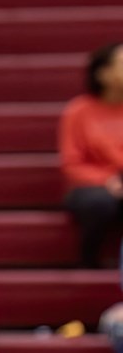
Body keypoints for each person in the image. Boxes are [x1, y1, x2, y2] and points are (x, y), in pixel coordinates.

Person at [60, 43, 123, 268]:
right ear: (103, 73)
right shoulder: (78, 111)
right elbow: (71, 164)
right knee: (99, 202)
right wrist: (106, 180)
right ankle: (89, 260)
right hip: (92, 185)